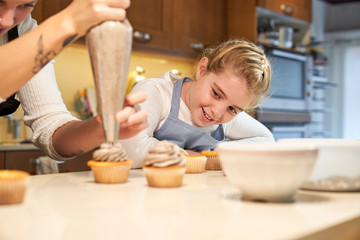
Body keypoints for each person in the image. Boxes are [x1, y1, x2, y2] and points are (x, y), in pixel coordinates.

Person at [0, 0, 149, 160]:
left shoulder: (23, 30)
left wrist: (105, 125)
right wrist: (69, 22)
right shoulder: (41, 36)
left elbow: (50, 125)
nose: (7, 20)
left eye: (26, 5)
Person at [120, 39, 274, 168]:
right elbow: (131, 149)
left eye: (233, 109)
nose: (217, 112)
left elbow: (267, 140)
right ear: (202, 70)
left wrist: (216, 152)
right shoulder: (156, 92)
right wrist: (188, 157)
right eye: (216, 93)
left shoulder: (224, 118)